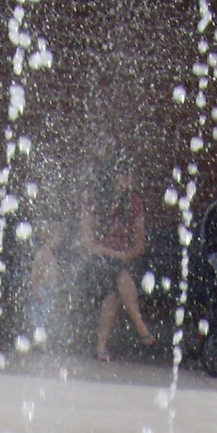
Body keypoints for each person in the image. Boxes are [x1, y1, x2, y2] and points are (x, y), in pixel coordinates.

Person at [79, 152, 157, 357]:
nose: (131, 179)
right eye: (126, 175)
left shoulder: (134, 202)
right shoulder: (92, 198)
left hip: (125, 262)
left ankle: (101, 347)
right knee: (118, 277)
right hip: (96, 261)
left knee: (114, 291)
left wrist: (125, 255)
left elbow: (140, 243)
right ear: (113, 176)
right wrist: (112, 254)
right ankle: (139, 325)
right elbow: (87, 242)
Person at [25, 218, 66, 345]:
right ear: (48, 236)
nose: (59, 240)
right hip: (41, 290)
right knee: (39, 318)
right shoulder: (43, 254)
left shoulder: (50, 254)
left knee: (45, 317)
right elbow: (35, 272)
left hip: (47, 290)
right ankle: (37, 341)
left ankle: (42, 341)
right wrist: (35, 288)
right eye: (58, 237)